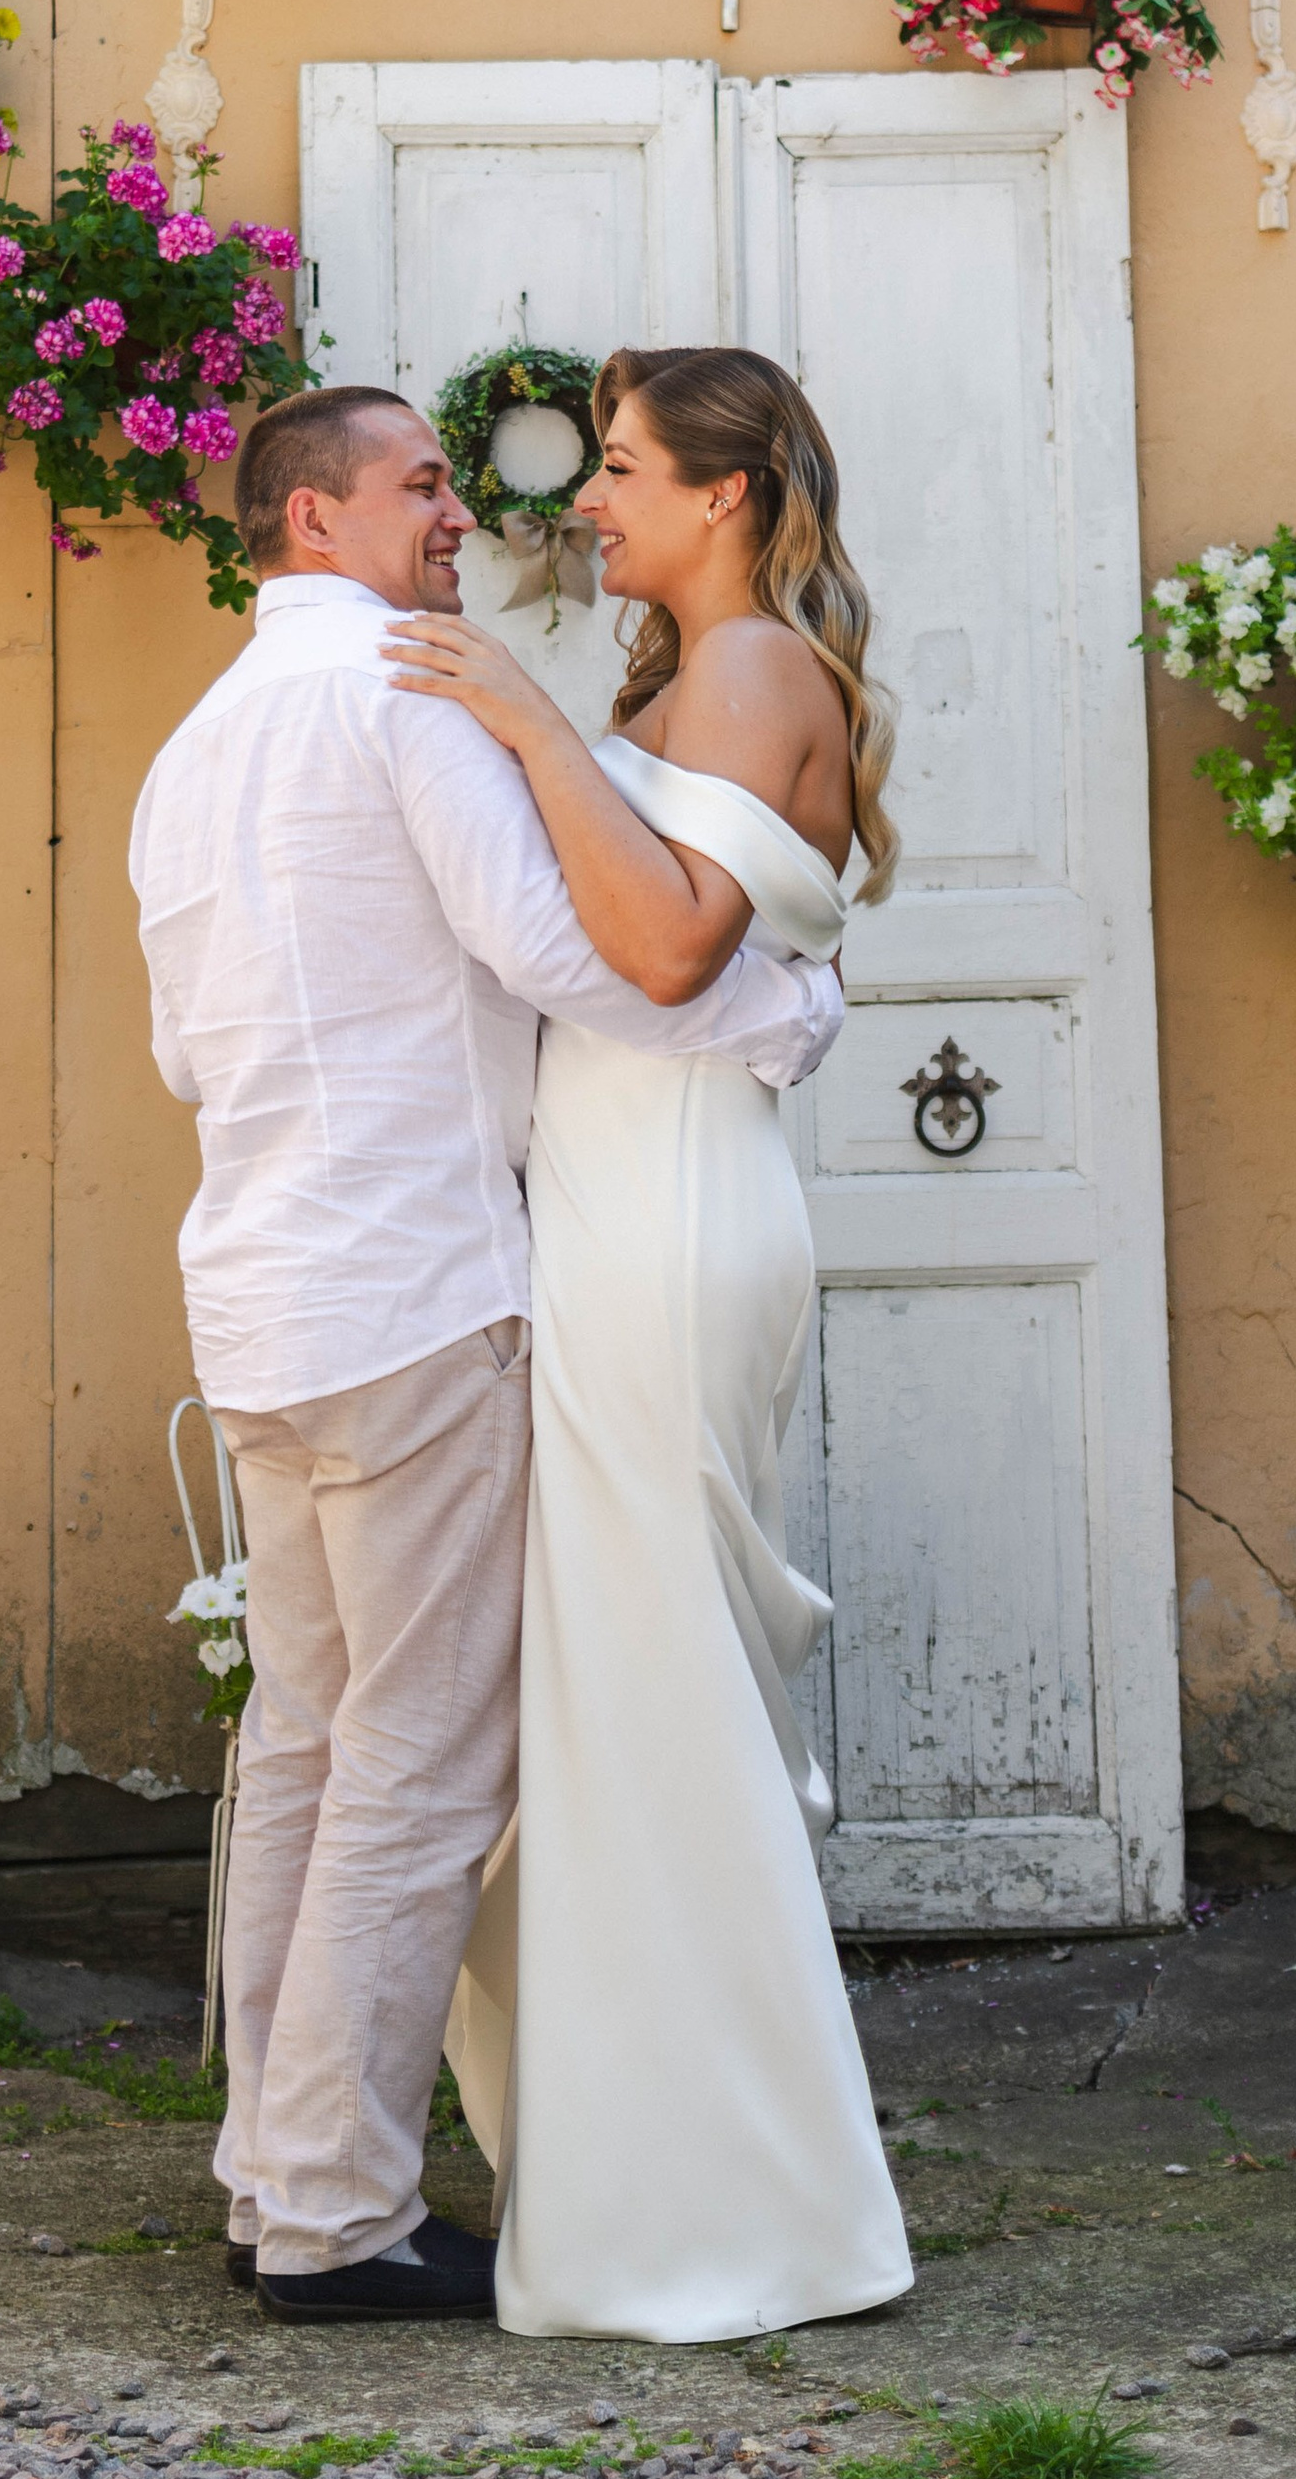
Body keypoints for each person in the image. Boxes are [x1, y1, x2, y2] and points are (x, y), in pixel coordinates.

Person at [127, 381, 847, 2325]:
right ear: (315, 521)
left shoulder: (194, 746)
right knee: (422, 1762)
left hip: (258, 1304)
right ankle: (332, 2215)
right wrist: (786, 1017)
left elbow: (183, 1050)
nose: (460, 513)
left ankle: (268, 2173)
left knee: (301, 1741)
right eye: (422, 486)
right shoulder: (402, 699)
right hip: (417, 1300)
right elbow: (567, 956)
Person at [384, 344, 914, 2343]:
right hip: (624, 1194)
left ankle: (739, 2207)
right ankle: (654, 2167)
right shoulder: (697, 675)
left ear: (725, 493)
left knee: (655, 1682)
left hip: (671, 1209)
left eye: (617, 468)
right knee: (615, 1685)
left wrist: (523, 722)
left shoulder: (753, 667)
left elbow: (676, 946)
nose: (585, 501)